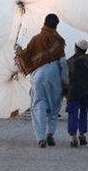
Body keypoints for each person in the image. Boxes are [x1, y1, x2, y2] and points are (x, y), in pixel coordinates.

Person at [16, 13, 68, 148]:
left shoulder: (36, 39)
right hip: (55, 75)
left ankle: (40, 137)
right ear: (56, 25)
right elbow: (62, 62)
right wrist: (65, 81)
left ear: (44, 23)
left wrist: (19, 52)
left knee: (38, 105)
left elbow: (25, 55)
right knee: (55, 106)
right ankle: (50, 133)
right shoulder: (59, 40)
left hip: (38, 76)